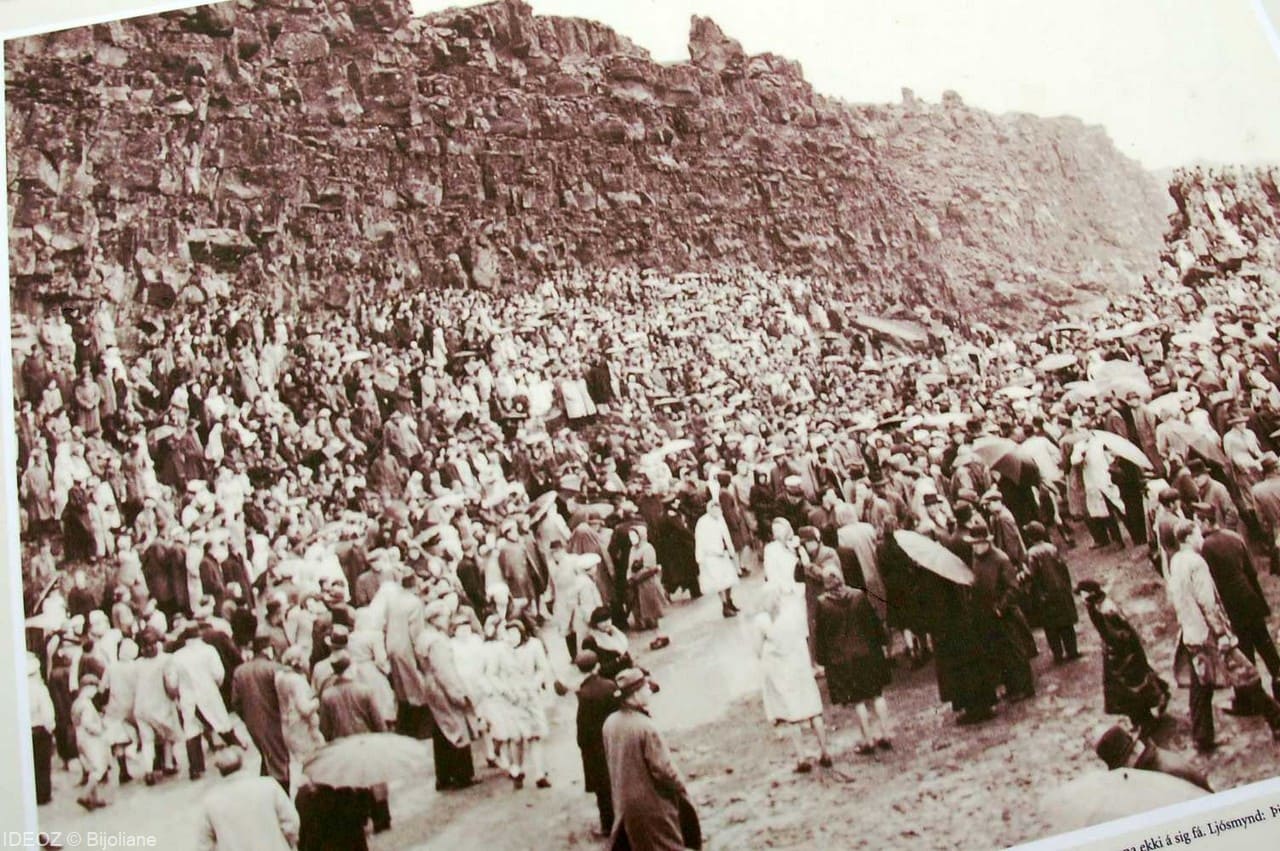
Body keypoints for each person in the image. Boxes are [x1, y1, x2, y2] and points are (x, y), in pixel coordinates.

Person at [1167, 520, 1280, 751]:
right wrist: (1222, 633)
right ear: (1189, 537)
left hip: (1191, 632)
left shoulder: (1176, 560)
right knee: (1245, 675)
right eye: (1198, 534)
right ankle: (1277, 721)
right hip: (1210, 633)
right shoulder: (1197, 563)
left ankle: (1202, 738)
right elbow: (1208, 603)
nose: (1202, 538)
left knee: (1201, 685)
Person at [1196, 505, 1280, 706]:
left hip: (1232, 606)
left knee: (1243, 653)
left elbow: (1211, 583)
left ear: (1206, 521)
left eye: (1198, 521)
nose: (1198, 526)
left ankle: (1251, 701)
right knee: (1266, 646)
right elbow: (1251, 572)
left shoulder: (1206, 547)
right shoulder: (1234, 537)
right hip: (1250, 599)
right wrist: (1261, 604)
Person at [603, 668, 693, 851]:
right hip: (653, 805)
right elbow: (663, 769)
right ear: (635, 694)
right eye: (645, 687)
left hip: (624, 805)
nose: (649, 691)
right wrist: (682, 787)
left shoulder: (610, 723)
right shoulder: (645, 727)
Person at [753, 587, 833, 773]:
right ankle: (825, 751)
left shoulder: (762, 621)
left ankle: (802, 757)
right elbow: (806, 637)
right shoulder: (793, 614)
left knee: (792, 716)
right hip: (801, 666)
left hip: (781, 670)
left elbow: (757, 650)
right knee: (813, 710)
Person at [813, 567, 892, 755]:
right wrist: (882, 642)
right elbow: (873, 622)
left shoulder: (822, 604)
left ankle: (868, 739)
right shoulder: (859, 596)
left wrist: (822, 659)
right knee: (877, 694)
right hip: (868, 653)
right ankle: (886, 733)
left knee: (857, 701)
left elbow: (821, 636)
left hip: (843, 659)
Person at [1075, 580, 1170, 735]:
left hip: (1123, 654)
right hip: (1117, 653)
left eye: (1082, 594)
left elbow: (1118, 634)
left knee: (1132, 688)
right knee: (1126, 689)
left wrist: (1116, 649)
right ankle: (1142, 717)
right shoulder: (1096, 606)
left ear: (1090, 594)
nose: (1081, 598)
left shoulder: (1105, 609)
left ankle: (1146, 720)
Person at [196, 747, 300, 851]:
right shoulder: (268, 785)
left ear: (219, 771)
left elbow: (204, 844)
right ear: (243, 764)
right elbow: (291, 822)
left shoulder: (211, 801)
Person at [229, 637, 290, 790]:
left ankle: (267, 789)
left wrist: (247, 717)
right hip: (275, 720)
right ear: (267, 650)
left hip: (253, 722)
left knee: (267, 756)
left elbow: (235, 702)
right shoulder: (275, 668)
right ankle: (280, 796)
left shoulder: (240, 671)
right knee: (279, 761)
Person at [573, 650, 619, 838]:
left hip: (595, 748)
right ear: (597, 666)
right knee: (617, 781)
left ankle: (608, 825)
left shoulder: (583, 694)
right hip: (613, 740)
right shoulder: (610, 686)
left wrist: (582, 745)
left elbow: (582, 727)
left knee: (602, 789)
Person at [1023, 522, 1081, 664]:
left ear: (1030, 538)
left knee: (1051, 627)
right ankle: (1072, 651)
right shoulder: (1052, 548)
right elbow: (1063, 568)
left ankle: (1058, 655)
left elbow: (1032, 574)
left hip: (1044, 594)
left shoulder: (1031, 554)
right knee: (1066, 623)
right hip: (1060, 591)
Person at [1093, 725, 1212, 793]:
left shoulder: (1162, 774)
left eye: (1122, 765)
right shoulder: (1153, 759)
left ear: (1132, 755)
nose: (1124, 772)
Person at [28, 653, 55, 806]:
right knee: (42, 764)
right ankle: (43, 795)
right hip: (40, 730)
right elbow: (47, 711)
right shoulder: (39, 689)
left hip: (27, 731)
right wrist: (50, 727)